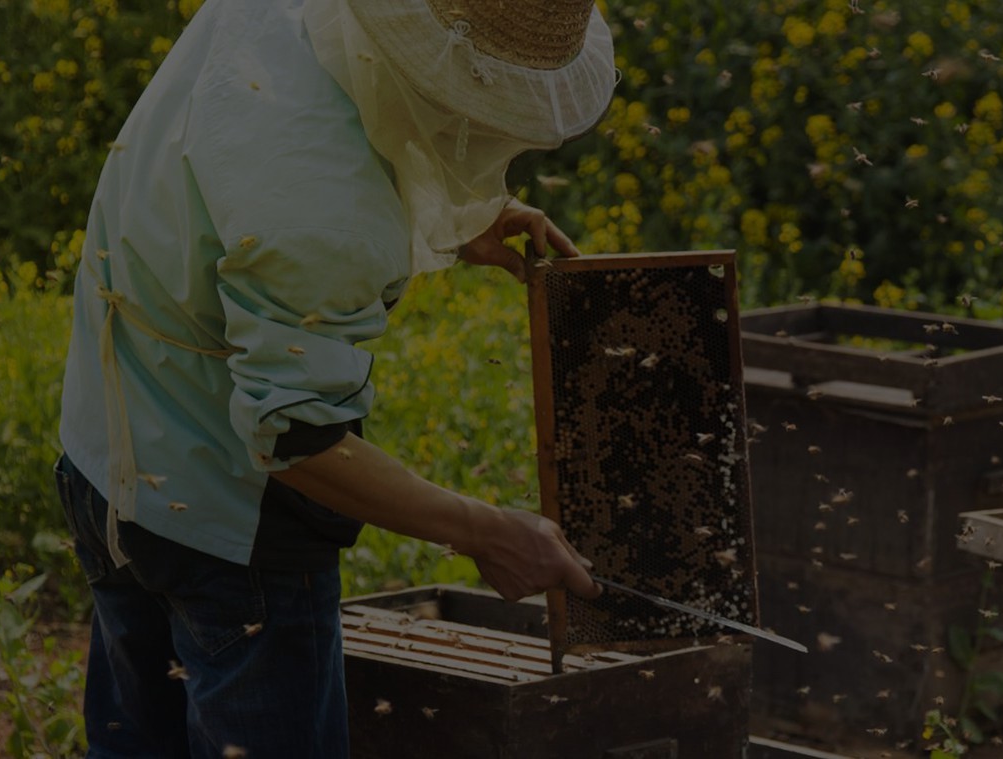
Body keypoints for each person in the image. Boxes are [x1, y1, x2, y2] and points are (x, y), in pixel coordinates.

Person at [53, 0, 618, 755]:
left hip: (102, 453)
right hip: (223, 517)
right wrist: (486, 529)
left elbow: (250, 171)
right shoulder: (324, 211)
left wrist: (462, 208)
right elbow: (298, 436)